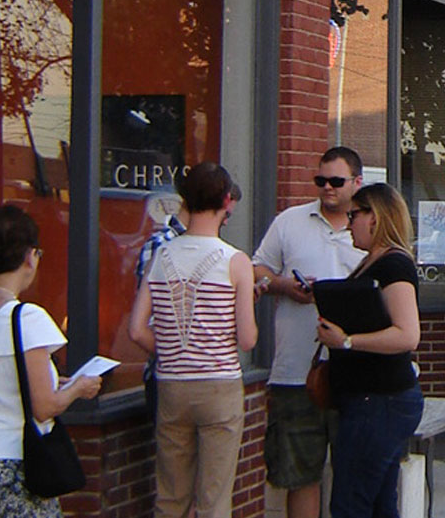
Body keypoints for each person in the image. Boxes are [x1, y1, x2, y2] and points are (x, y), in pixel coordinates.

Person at [130, 162, 258, 518]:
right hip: (219, 383)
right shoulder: (235, 261)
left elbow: (136, 330)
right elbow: (247, 338)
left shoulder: (160, 254)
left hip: (172, 383)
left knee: (170, 497)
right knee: (214, 499)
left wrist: (173, 349)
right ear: (226, 201)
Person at [252, 147, 367, 518]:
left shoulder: (368, 227)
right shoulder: (290, 221)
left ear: (357, 182)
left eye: (336, 181)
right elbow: (256, 272)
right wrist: (285, 286)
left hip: (355, 372)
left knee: (355, 478)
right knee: (300, 475)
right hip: (296, 371)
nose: (327, 188)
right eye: (321, 181)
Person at [0, 206, 103, 518]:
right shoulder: (26, 317)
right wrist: (78, 388)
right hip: (18, 467)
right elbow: (44, 407)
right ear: (30, 257)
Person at [314, 183, 424, 517]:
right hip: (370, 399)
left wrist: (347, 341)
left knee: (350, 502)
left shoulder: (394, 266)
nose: (348, 224)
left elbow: (407, 335)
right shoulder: (371, 262)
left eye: (354, 215)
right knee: (377, 503)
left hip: (379, 401)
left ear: (374, 217)